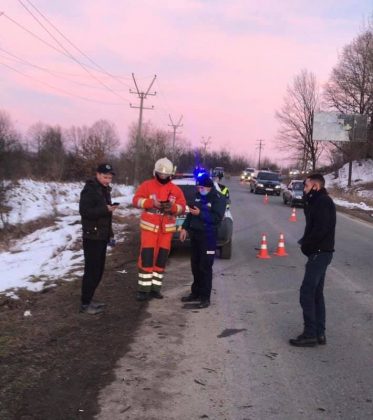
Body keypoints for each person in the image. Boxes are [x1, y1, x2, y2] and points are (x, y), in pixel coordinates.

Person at [289, 174, 336, 347]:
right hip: (319, 252)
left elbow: (320, 228)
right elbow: (312, 221)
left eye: (307, 186)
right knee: (316, 293)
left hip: (319, 253)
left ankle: (310, 334)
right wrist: (308, 199)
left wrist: (307, 245)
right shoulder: (317, 201)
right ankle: (319, 333)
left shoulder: (323, 201)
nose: (304, 189)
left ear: (316, 186)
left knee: (306, 293)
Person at [132, 157, 186, 301]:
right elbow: (136, 200)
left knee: (161, 260)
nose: (163, 176)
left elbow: (182, 207)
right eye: (160, 174)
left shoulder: (176, 190)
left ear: (170, 175)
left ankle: (155, 289)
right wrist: (151, 203)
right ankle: (143, 290)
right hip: (149, 229)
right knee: (147, 259)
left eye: (165, 174)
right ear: (155, 172)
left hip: (166, 231)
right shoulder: (147, 185)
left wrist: (173, 207)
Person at [179, 173, 226, 308]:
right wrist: (184, 228)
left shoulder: (218, 199)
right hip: (196, 236)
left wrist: (200, 213)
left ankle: (205, 298)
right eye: (198, 188)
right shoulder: (198, 196)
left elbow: (216, 219)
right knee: (195, 266)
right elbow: (190, 214)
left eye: (202, 188)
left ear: (209, 187)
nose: (199, 190)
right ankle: (196, 293)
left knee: (205, 267)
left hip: (209, 237)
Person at [79, 163, 118, 315]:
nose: (108, 180)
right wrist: (105, 209)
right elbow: (85, 212)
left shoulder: (104, 190)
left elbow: (105, 218)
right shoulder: (89, 189)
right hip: (92, 236)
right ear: (97, 174)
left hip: (102, 236)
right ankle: (85, 303)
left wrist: (111, 235)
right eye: (105, 177)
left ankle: (89, 299)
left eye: (109, 178)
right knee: (92, 270)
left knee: (99, 270)